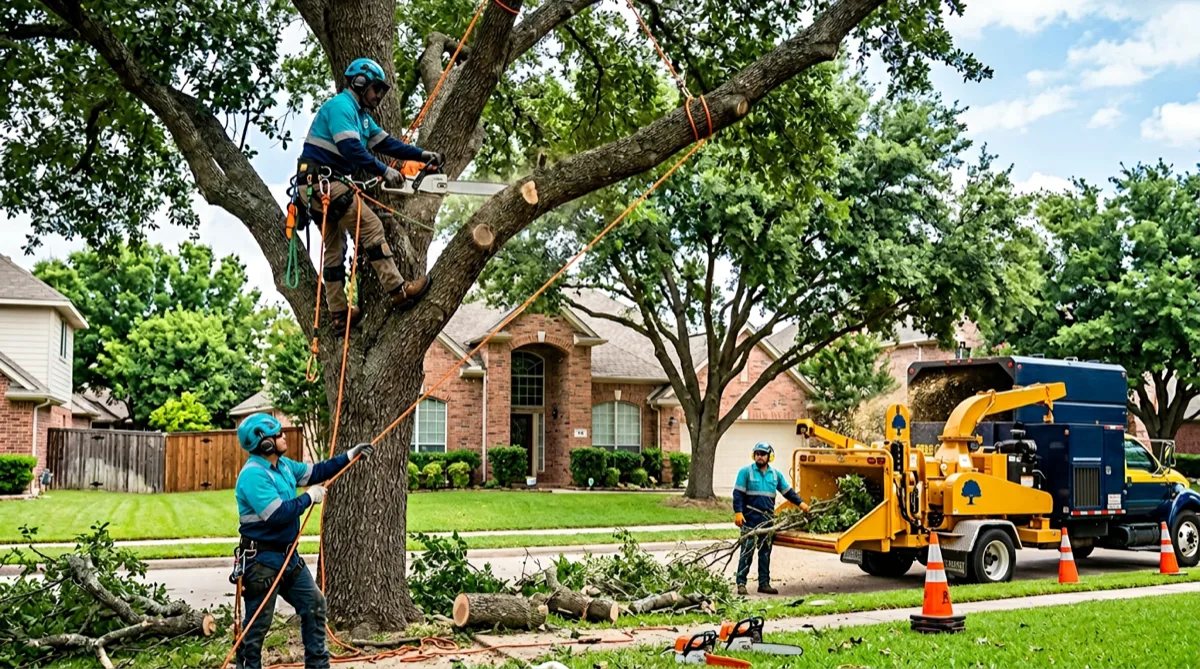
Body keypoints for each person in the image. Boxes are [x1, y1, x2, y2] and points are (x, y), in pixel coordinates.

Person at [297, 57, 444, 328]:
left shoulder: (362, 118)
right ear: (360, 82)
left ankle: (339, 314)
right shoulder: (341, 106)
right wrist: (383, 171)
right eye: (376, 89)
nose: (379, 96)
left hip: (316, 188)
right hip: (325, 184)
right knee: (372, 228)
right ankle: (398, 291)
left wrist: (422, 155)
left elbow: (388, 144)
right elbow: (352, 149)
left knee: (334, 247)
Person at [232, 412, 373, 669]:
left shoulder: (284, 467)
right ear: (265, 443)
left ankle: (318, 665)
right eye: (279, 434)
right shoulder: (253, 475)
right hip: (262, 561)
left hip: (288, 557)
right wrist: (309, 498)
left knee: (314, 604)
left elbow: (317, 470)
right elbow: (276, 514)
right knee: (257, 626)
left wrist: (350, 455)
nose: (284, 436)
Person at [732, 441, 808, 595]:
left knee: (765, 553)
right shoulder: (745, 472)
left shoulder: (776, 475)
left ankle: (764, 583)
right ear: (754, 455)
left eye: (763, 454)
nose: (760, 457)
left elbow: (788, 492)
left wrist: (801, 504)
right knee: (746, 553)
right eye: (757, 454)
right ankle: (741, 583)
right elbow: (738, 494)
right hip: (749, 520)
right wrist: (738, 512)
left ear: (769, 456)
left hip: (767, 521)